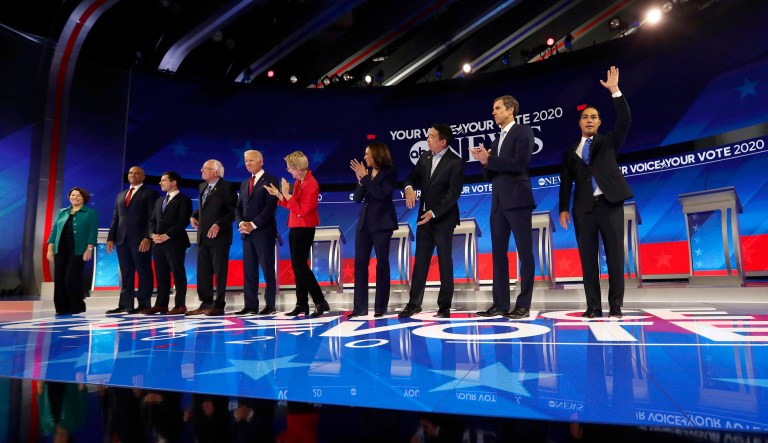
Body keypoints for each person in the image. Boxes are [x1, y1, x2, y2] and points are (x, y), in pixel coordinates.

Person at [559, 66, 632, 319]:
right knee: (588, 259)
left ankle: (615, 305)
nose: (589, 120)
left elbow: (624, 119)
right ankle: (593, 306)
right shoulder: (570, 152)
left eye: (594, 117)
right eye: (585, 117)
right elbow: (565, 182)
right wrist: (563, 209)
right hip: (583, 210)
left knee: (614, 256)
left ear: (599, 122)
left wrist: (614, 91)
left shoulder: (609, 141)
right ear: (579, 122)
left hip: (610, 204)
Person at [471, 95, 536, 319]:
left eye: (497, 108)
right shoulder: (497, 141)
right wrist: (483, 162)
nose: (493, 112)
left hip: (518, 200)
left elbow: (520, 163)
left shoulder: (523, 131)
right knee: (498, 254)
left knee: (525, 253)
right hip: (498, 203)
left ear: (510, 110)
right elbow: (488, 175)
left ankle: (523, 304)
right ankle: (500, 304)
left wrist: (491, 160)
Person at [398, 124, 464, 319]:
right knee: (420, 262)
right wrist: (409, 188)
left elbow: (454, 194)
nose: (427, 139)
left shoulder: (455, 162)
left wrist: (433, 212)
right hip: (423, 220)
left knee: (445, 261)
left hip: (443, 219)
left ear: (442, 141)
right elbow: (410, 178)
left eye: (431, 136)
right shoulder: (425, 158)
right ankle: (414, 303)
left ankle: (444, 306)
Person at [265, 151, 331, 317]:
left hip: (304, 228)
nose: (288, 171)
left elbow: (302, 210)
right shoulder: (300, 181)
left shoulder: (311, 184)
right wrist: (280, 195)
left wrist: (286, 194)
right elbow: (292, 206)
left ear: (297, 167)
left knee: (300, 267)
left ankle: (320, 301)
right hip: (295, 227)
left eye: (289, 168)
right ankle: (301, 303)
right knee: (297, 267)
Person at [348, 141, 398, 318]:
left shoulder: (389, 173)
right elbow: (357, 199)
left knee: (382, 265)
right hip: (364, 225)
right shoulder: (367, 175)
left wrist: (366, 178)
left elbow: (380, 194)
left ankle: (380, 307)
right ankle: (359, 308)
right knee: (360, 265)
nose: (364, 157)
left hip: (382, 224)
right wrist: (361, 181)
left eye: (367, 154)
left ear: (377, 154)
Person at [105, 166, 159, 314]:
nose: (132, 175)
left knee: (143, 272)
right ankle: (125, 304)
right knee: (126, 272)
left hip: (141, 240)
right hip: (122, 240)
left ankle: (144, 304)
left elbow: (152, 218)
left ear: (143, 177)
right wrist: (111, 238)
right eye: (130, 173)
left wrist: (148, 237)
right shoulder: (121, 195)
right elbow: (116, 218)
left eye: (136, 173)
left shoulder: (150, 193)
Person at [188, 159, 238, 316]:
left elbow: (233, 211)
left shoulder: (227, 187)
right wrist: (194, 216)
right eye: (202, 168)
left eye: (206, 169)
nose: (201, 171)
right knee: (203, 272)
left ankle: (219, 304)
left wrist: (219, 225)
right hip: (203, 236)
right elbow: (204, 206)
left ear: (216, 172)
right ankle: (206, 302)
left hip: (219, 237)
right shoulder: (202, 186)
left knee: (220, 271)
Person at [235, 150, 279, 315]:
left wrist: (253, 224)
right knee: (249, 269)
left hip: (264, 232)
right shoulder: (245, 183)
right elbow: (238, 207)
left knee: (267, 269)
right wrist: (241, 223)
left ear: (261, 161)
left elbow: (270, 207)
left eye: (251, 160)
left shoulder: (271, 180)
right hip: (247, 233)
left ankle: (270, 305)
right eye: (246, 161)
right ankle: (250, 305)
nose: (248, 163)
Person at [145, 171, 192, 314]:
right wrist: (153, 234)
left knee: (178, 273)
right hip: (158, 243)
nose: (160, 183)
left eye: (164, 180)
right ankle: (161, 304)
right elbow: (152, 220)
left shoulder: (184, 200)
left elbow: (183, 221)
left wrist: (167, 235)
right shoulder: (159, 200)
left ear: (174, 182)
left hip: (175, 243)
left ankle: (180, 305)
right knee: (161, 274)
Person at [46, 187, 98, 315]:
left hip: (78, 250)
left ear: (84, 198)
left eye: (79, 195)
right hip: (61, 249)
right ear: (69, 197)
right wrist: (50, 248)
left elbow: (93, 232)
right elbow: (54, 231)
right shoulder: (62, 212)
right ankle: (62, 308)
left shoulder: (90, 213)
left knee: (71, 277)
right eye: (73, 195)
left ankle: (77, 305)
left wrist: (89, 249)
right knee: (59, 278)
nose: (75, 197)